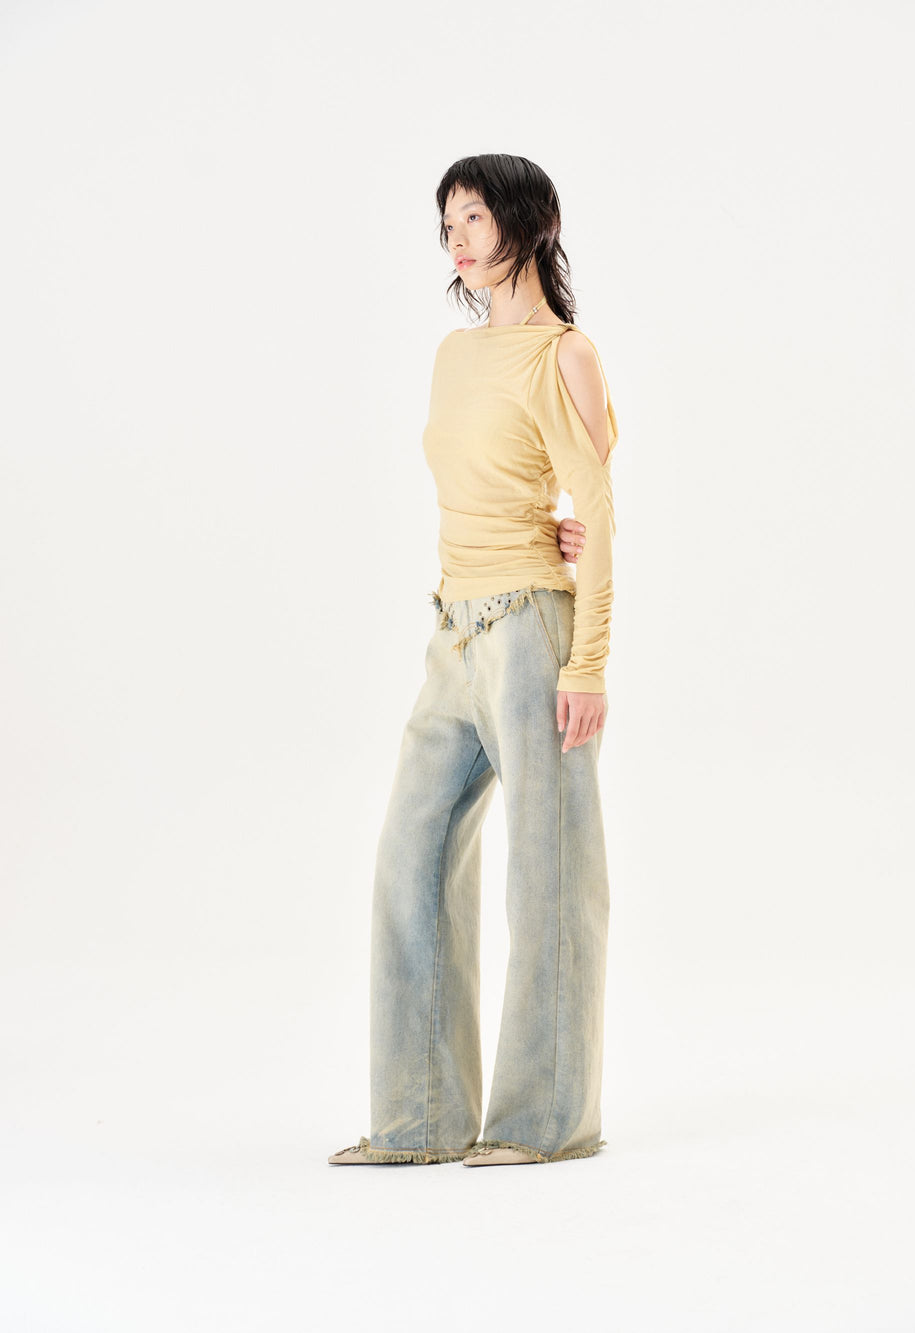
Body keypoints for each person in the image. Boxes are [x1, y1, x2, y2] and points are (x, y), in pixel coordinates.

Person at [329, 154, 619, 1167]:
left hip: (534, 627)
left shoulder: (564, 354)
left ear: (529, 224)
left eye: (474, 218)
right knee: (409, 854)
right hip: (452, 628)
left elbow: (598, 514)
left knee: (549, 869)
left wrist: (588, 663)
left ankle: (545, 1120)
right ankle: (420, 1118)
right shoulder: (455, 355)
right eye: (446, 222)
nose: (456, 238)